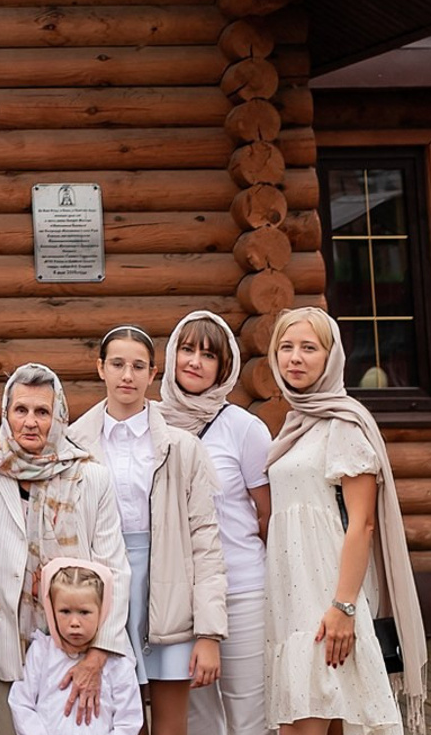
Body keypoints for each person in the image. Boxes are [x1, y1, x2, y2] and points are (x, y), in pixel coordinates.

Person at [264, 308, 426, 735]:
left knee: (314, 723)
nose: (294, 358)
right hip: (291, 598)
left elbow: (363, 525)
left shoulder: (344, 424)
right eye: (286, 347)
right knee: (310, 722)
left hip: (327, 599)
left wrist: (343, 607)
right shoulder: (296, 423)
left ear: (332, 356)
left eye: (308, 348)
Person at [69, 326, 226, 735]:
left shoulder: (180, 446)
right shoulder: (73, 445)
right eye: (117, 364)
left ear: (153, 374)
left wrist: (209, 632)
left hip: (169, 586)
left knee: (171, 726)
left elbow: (205, 543)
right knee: (121, 721)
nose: (127, 375)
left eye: (139, 366)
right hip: (102, 588)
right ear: (100, 368)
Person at [0, 363, 131, 735]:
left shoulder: (91, 476)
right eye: (20, 410)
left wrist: (98, 653)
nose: (30, 421)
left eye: (42, 412)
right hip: (12, 638)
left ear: (59, 417)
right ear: (6, 415)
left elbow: (114, 569)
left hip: (79, 644)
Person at [161, 312, 271, 735]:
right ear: (171, 356)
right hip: (179, 597)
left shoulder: (245, 429)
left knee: (248, 711)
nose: (195, 361)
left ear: (224, 368)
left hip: (241, 591)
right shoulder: (153, 424)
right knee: (198, 716)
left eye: (209, 355)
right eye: (187, 350)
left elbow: (266, 514)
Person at [8, 563, 142, 735]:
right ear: (51, 611)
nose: (74, 622)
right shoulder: (41, 652)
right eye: (65, 611)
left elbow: (129, 720)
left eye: (84, 612)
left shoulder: (117, 662)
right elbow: (21, 702)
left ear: (102, 611)